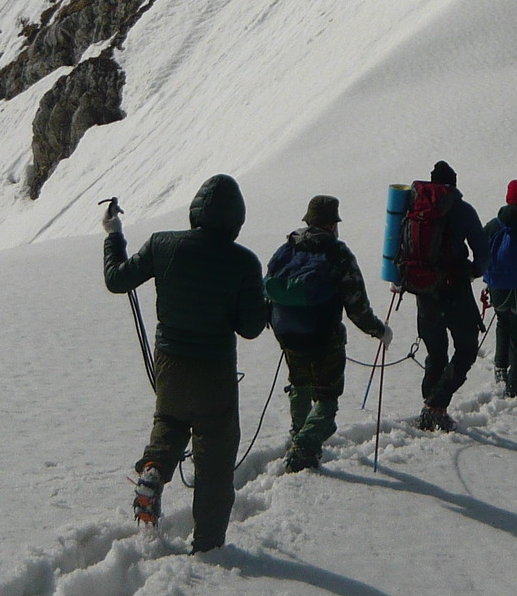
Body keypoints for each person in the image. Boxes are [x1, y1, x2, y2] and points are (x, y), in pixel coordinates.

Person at [103, 176, 268, 553]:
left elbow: (117, 280)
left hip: (170, 363)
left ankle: (153, 472)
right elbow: (251, 328)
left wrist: (114, 234)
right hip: (215, 370)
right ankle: (208, 549)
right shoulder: (244, 261)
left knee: (170, 422)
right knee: (214, 456)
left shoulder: (163, 244)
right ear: (236, 219)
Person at [263, 195, 393, 471]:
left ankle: (298, 433)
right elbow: (356, 305)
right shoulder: (338, 254)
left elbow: (269, 289)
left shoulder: (287, 248)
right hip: (324, 338)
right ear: (332, 224)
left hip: (288, 334)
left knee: (299, 384)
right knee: (327, 399)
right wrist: (379, 331)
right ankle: (305, 446)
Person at [397, 160, 487, 432]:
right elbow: (483, 252)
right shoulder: (462, 209)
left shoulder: (413, 207)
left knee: (436, 352)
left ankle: (432, 407)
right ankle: (435, 405)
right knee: (467, 348)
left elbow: (400, 245)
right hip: (455, 287)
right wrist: (472, 271)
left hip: (423, 289)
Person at [482, 180, 517, 398]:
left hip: (498, 287)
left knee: (502, 323)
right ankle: (514, 388)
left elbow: (481, 248)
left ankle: (500, 367)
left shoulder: (493, 225)